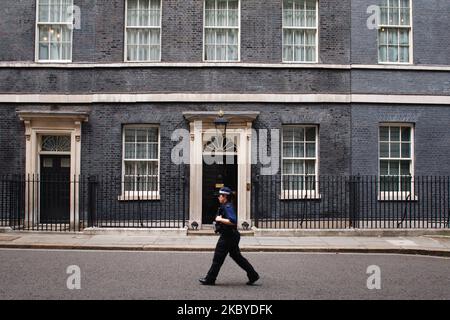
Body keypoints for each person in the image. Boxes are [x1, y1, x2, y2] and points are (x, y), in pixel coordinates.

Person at [199, 187, 260, 286]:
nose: (218, 197)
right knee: (237, 257)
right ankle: (253, 275)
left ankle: (210, 279)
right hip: (231, 235)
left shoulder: (228, 207)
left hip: (228, 236)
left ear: (225, 197)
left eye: (220, 195)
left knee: (218, 258)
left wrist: (219, 219)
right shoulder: (225, 206)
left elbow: (233, 221)